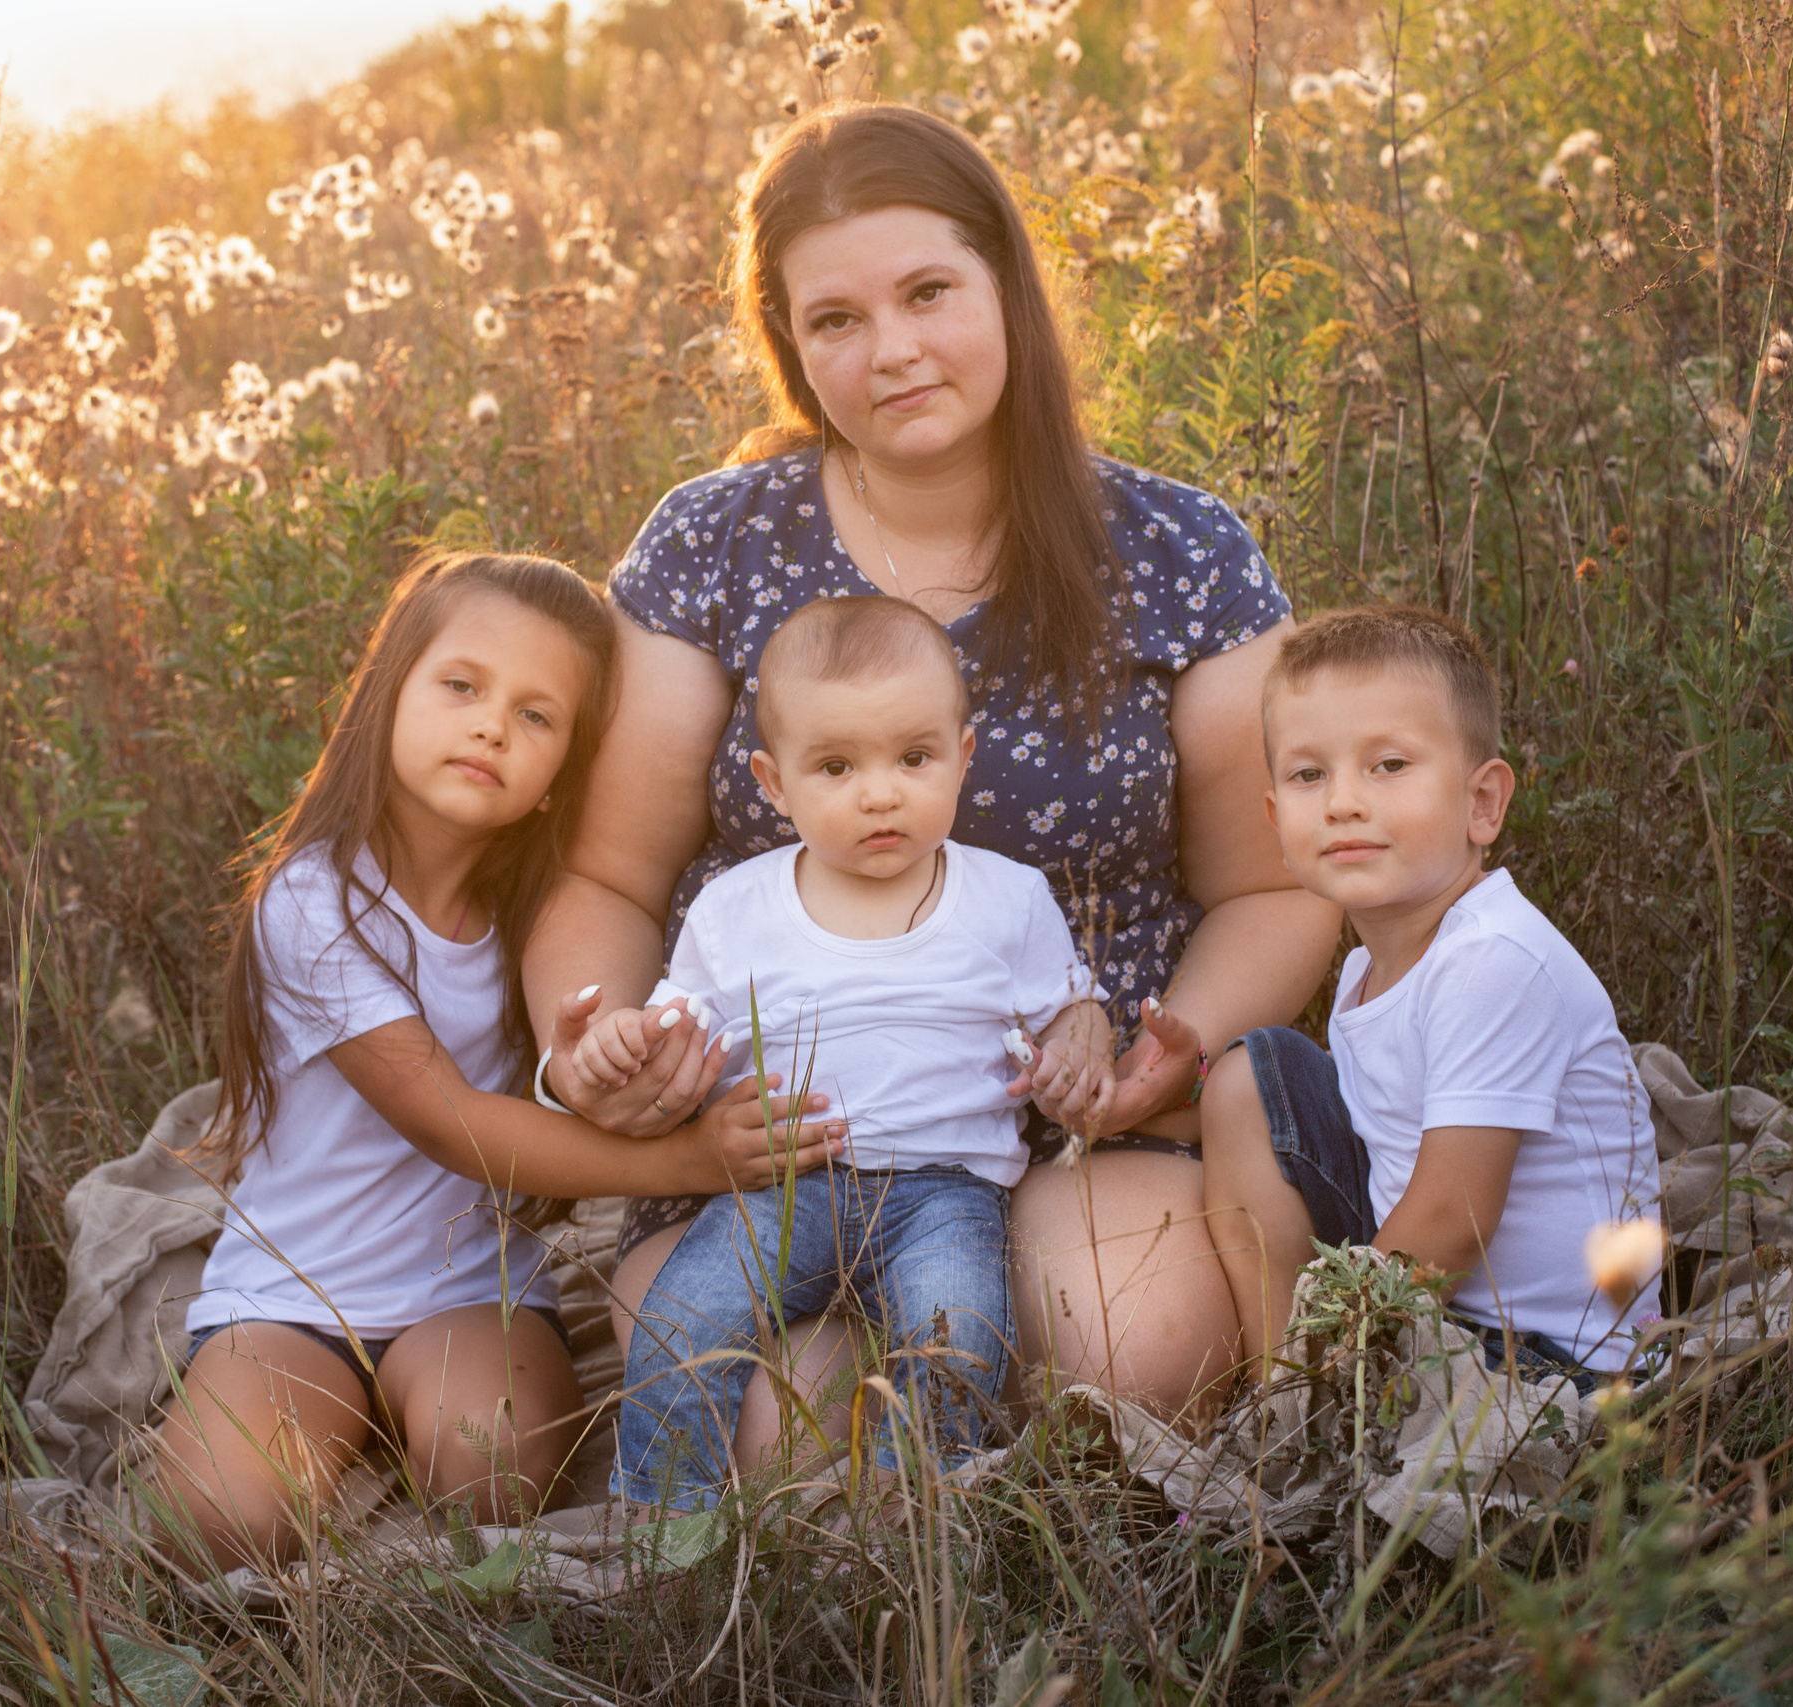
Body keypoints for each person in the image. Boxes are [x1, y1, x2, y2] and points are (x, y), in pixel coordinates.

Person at [521, 102, 1340, 1451]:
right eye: (834, 319)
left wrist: (1157, 1053)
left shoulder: (1179, 549)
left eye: (927, 292)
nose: (892, 349)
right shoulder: (717, 545)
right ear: (791, 344)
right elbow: (610, 867)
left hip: (1088, 1110)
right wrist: (595, 1050)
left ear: (1006, 284)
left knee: (1137, 1352)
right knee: (783, 1440)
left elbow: (1272, 886)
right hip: (782, 1132)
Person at [147, 552, 846, 1572]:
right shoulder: (315, 899)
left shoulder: (542, 916)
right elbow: (451, 1121)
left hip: (469, 1291)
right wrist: (691, 1162)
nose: (490, 727)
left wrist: (636, 1062)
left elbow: (587, 1061)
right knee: (216, 1525)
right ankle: (331, 1412)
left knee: (496, 1478)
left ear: (568, 765)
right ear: (389, 692)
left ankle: (400, 1421)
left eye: (537, 716)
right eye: (462, 687)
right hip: (297, 1293)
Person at [581, 597, 1110, 1508]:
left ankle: (920, 1514)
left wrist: (1078, 1045)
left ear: (963, 755)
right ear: (774, 782)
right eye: (835, 765)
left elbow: (1074, 1009)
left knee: (957, 1333)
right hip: (789, 1181)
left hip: (947, 1188)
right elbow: (675, 1027)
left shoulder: (1007, 900)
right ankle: (668, 1523)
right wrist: (625, 1039)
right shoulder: (737, 911)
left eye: (914, 757)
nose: (880, 792)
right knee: (684, 1319)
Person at [1199, 606, 1662, 1391]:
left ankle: (1312, 1391)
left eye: (1388, 766)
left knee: (1264, 1074)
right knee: (1250, 1076)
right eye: (1310, 774)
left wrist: (1339, 1353)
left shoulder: (1492, 960)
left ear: (1483, 803)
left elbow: (1454, 1216)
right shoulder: (1364, 973)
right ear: (1277, 819)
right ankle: (1280, 1387)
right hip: (1430, 1306)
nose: (1344, 801)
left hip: (1550, 1360)